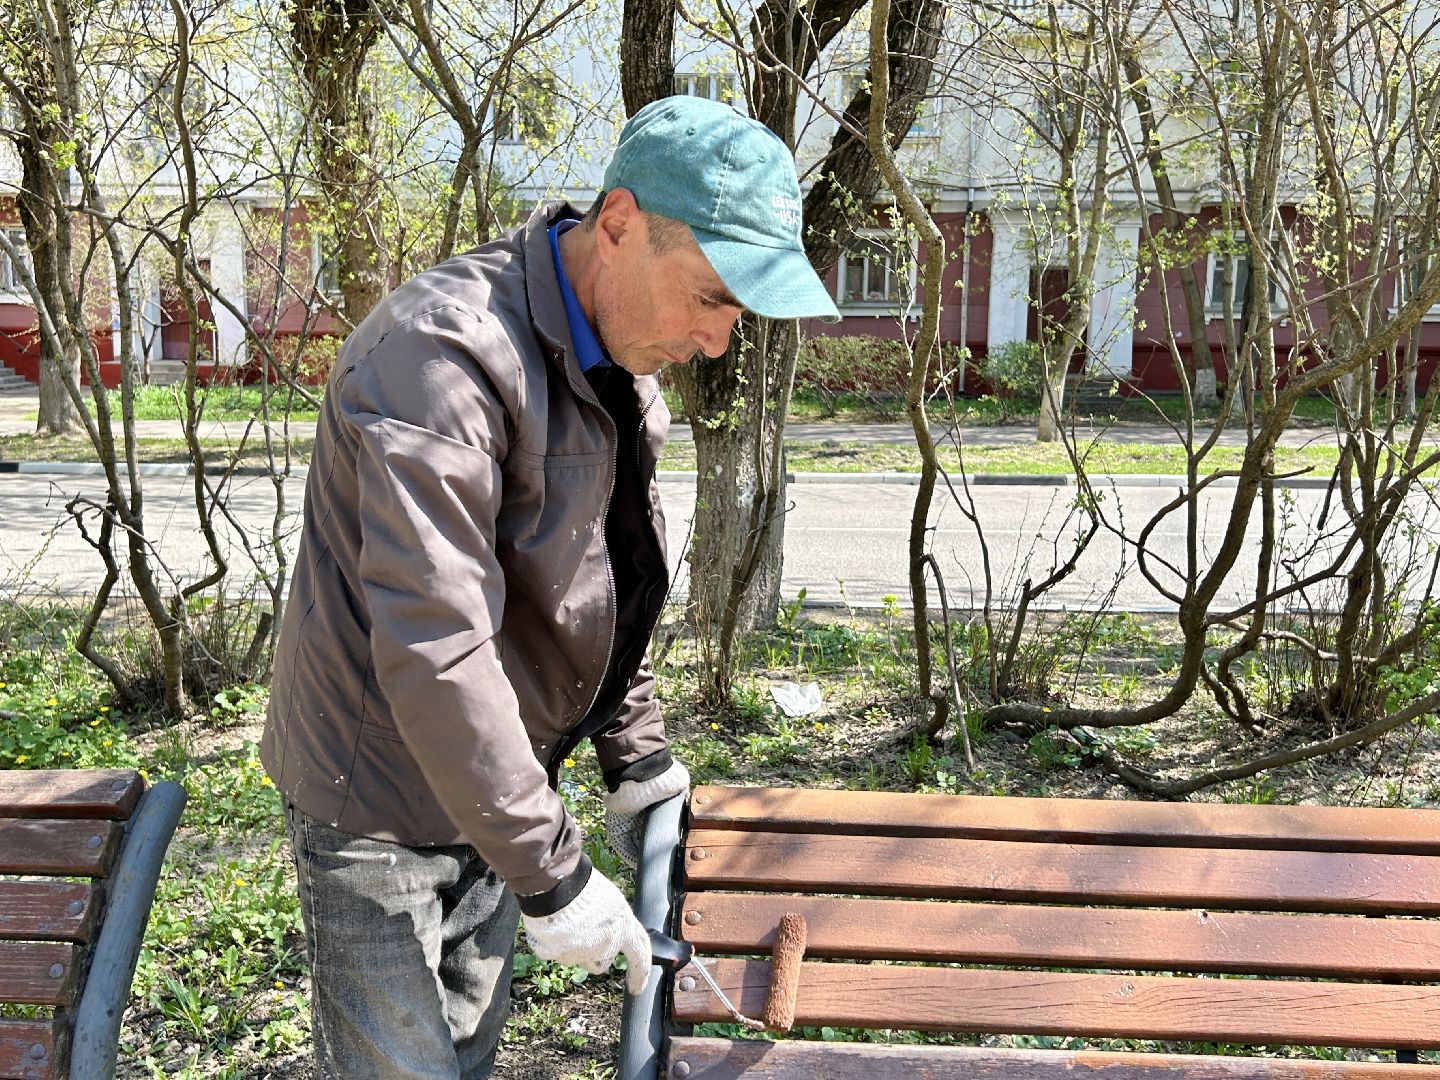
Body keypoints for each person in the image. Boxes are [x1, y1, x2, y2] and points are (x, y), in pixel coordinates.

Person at [260, 94, 840, 1078]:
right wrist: (555, 874)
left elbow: (598, 582)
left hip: (496, 779)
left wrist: (634, 752)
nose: (717, 341)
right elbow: (437, 644)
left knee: (466, 1055)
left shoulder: (618, 360)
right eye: (710, 298)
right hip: (375, 792)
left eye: (737, 312)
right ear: (618, 225)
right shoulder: (439, 359)